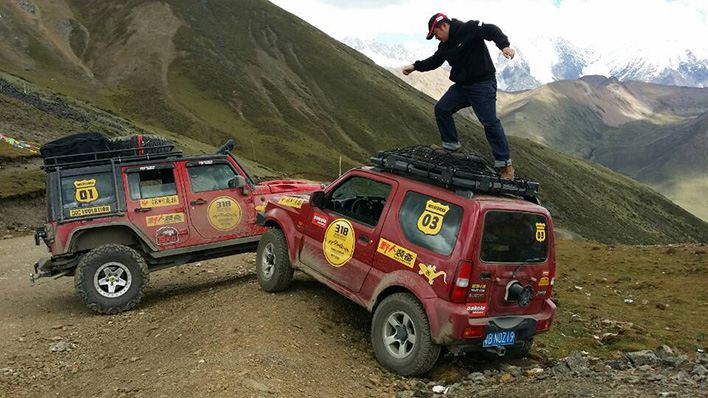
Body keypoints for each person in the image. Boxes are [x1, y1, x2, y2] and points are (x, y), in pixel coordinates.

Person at [403, 13, 516, 179]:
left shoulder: (468, 28)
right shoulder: (445, 46)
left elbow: (491, 30)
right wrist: (414, 67)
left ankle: (505, 165)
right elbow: (434, 61)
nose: (436, 37)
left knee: (490, 122)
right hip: (462, 87)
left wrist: (504, 46)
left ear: (443, 26)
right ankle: (450, 145)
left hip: (482, 84)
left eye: (435, 34)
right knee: (442, 109)